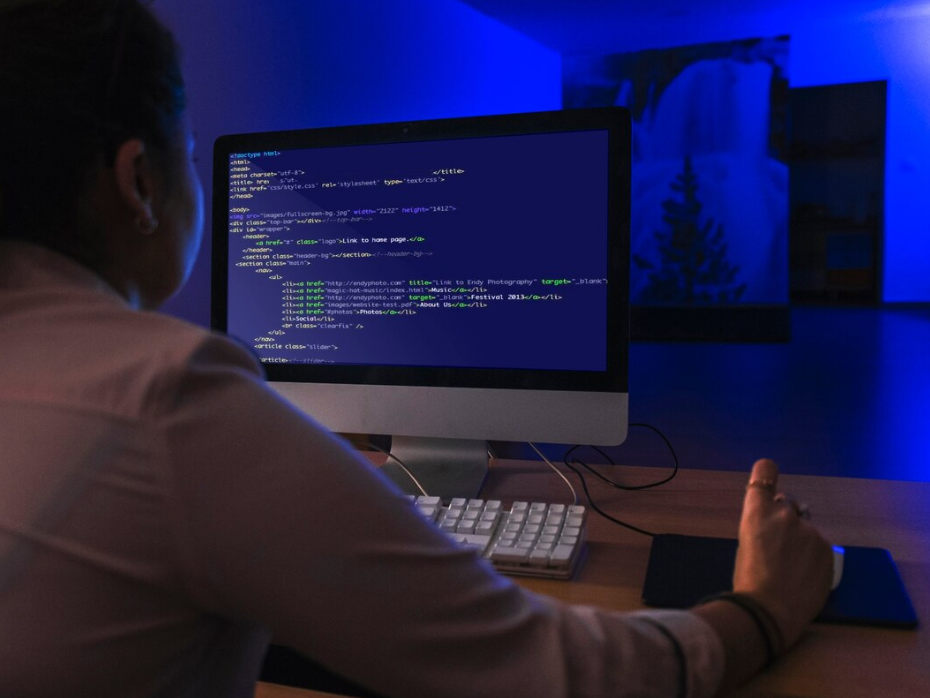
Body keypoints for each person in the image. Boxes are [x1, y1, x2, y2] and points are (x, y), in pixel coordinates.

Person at [0, 2, 834, 697]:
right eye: (190, 156)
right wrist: (762, 607)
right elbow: (547, 674)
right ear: (138, 181)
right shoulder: (169, 401)